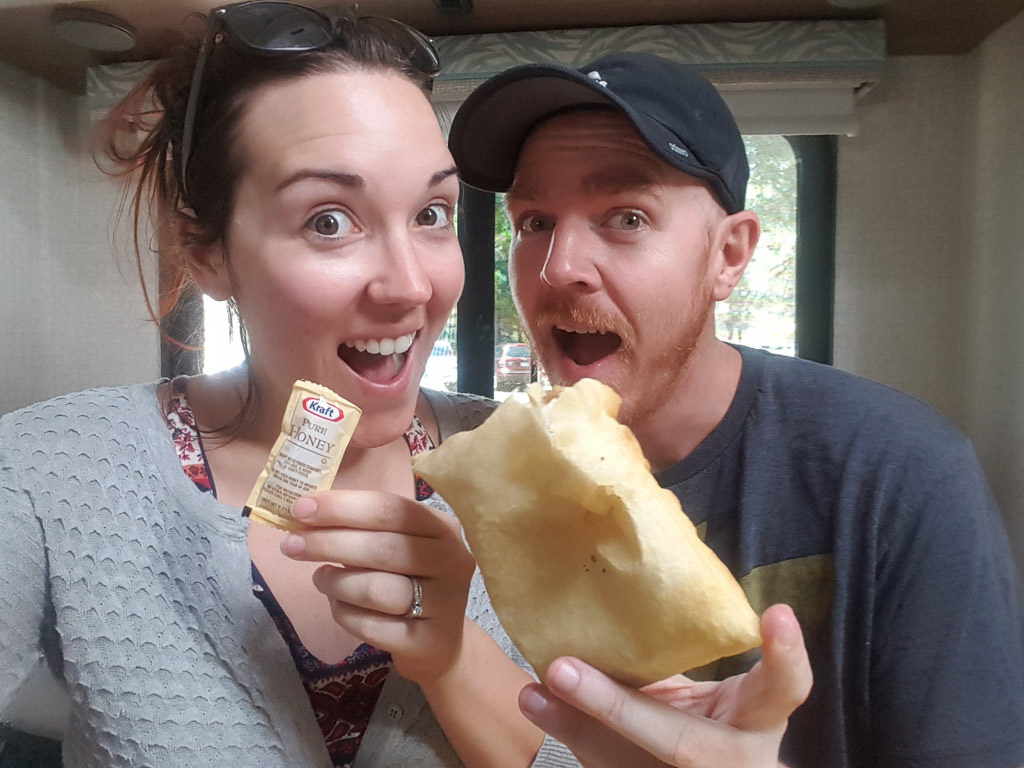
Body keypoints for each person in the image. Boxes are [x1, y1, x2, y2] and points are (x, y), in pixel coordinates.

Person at [0, 4, 578, 767]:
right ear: (202, 253)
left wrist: (450, 656)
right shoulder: (53, 471)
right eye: (329, 222)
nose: (410, 285)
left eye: (433, 213)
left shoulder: (539, 461)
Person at [447, 52, 1024, 767]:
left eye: (625, 216)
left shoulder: (901, 475)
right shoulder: (493, 480)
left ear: (730, 255)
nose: (558, 266)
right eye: (534, 221)